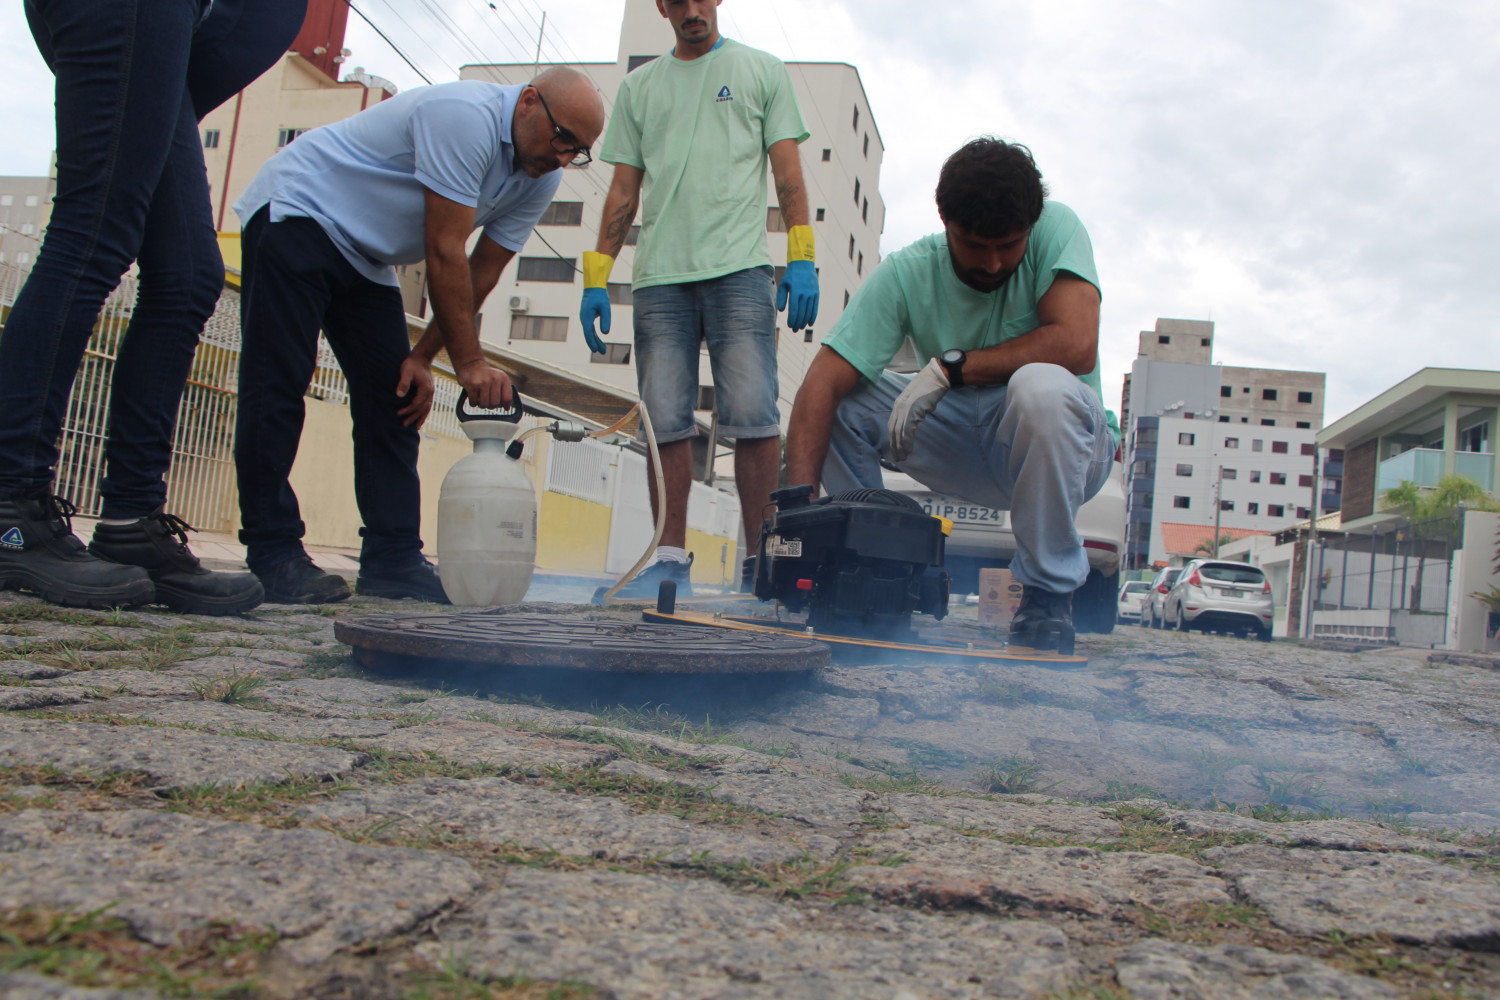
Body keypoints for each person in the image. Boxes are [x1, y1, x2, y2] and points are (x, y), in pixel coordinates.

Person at [232, 68, 604, 604]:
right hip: (301, 212)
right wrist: (470, 364)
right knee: (279, 383)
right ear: (527, 102)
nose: (566, 158)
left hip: (370, 257)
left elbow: (483, 271)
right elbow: (445, 249)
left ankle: (392, 558)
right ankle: (273, 553)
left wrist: (425, 358)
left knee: (397, 396)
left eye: (580, 151)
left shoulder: (540, 174)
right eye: (563, 139)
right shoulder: (463, 118)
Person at [0, 0, 308, 615]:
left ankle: (130, 523)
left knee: (191, 274)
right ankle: (11, 507)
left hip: (171, 30)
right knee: (94, 231)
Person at [783, 138, 1119, 648]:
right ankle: (871, 574)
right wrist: (795, 520)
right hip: (966, 440)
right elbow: (821, 383)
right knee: (844, 399)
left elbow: (1076, 344)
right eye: (974, 245)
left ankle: (1047, 597)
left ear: (1031, 225)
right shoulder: (908, 270)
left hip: (1067, 448)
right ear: (944, 222)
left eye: (1008, 246)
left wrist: (950, 369)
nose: (991, 264)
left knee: (1041, 387)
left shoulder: (1058, 227)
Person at [581, 0, 817, 599]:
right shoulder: (640, 88)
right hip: (660, 277)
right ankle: (667, 561)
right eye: (676, 0)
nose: (691, 10)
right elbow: (623, 190)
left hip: (740, 269)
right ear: (661, 7)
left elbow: (787, 170)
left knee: (756, 417)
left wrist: (803, 255)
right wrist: (596, 276)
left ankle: (765, 565)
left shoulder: (762, 70)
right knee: (664, 422)